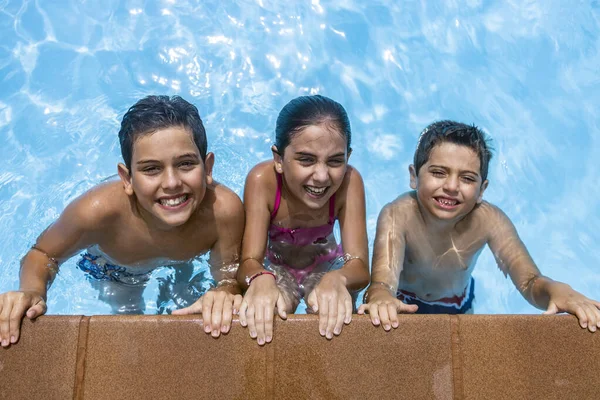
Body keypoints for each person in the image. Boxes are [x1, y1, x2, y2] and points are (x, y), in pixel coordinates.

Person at [0, 95, 245, 347]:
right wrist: (32, 292)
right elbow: (42, 254)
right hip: (117, 269)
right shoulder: (97, 212)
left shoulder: (222, 211)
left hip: (186, 263)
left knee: (193, 317)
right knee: (127, 326)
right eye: (151, 169)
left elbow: (228, 275)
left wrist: (225, 292)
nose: (171, 183)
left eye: (185, 164)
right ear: (127, 179)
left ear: (208, 168)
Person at [358, 120, 600, 332]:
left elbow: (529, 282)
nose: (452, 186)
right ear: (414, 176)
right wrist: (380, 297)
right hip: (402, 302)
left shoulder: (490, 221)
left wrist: (556, 290)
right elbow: (381, 283)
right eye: (439, 172)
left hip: (457, 304)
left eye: (467, 178)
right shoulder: (397, 215)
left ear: (482, 189)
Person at [237, 95, 369, 345]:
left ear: (348, 157)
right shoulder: (262, 181)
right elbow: (248, 261)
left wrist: (338, 278)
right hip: (276, 264)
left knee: (331, 309)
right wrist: (260, 277)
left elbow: (359, 265)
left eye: (335, 161)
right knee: (269, 308)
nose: (321, 176)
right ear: (279, 159)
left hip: (324, 263)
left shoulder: (350, 183)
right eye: (306, 159)